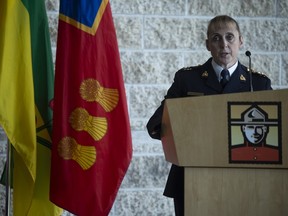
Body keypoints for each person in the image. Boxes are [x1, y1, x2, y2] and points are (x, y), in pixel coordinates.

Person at [146, 15, 272, 216]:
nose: (224, 44)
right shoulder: (187, 79)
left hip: (244, 180)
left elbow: (272, 135)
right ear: (207, 45)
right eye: (216, 38)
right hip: (191, 179)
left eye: (229, 37)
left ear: (240, 41)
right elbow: (157, 123)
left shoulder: (257, 84)